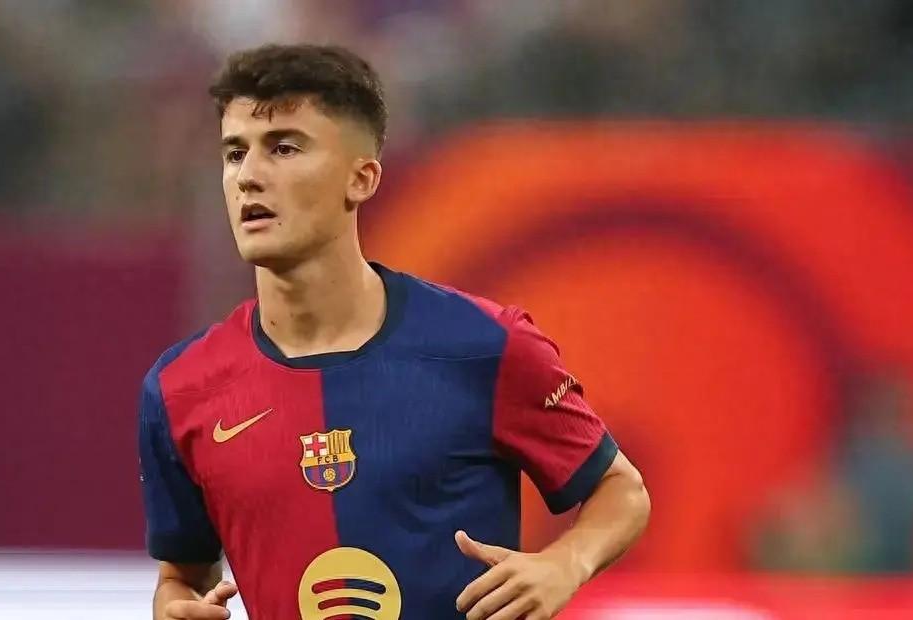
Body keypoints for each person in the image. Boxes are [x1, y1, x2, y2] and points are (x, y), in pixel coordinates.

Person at [138, 43, 650, 620]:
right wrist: (174, 606)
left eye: (283, 148)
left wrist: (564, 564)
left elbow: (621, 490)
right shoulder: (180, 389)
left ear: (361, 179)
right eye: (235, 153)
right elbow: (182, 575)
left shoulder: (486, 346)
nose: (249, 177)